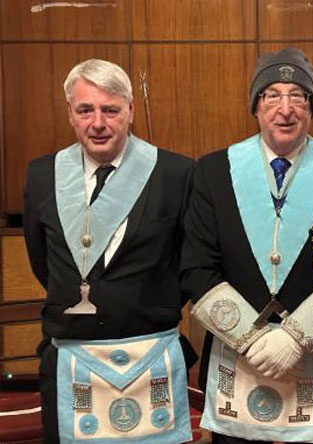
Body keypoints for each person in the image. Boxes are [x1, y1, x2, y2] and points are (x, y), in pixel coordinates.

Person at [180, 47, 313, 443]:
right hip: (237, 360)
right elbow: (196, 268)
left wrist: (294, 337)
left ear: (311, 107)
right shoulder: (214, 172)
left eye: (298, 96)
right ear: (256, 106)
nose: (286, 109)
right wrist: (252, 338)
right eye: (272, 95)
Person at [23, 59, 195, 443]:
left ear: (130, 111)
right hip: (71, 359)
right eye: (85, 110)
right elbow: (43, 261)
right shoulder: (41, 174)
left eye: (110, 109)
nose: (97, 123)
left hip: (149, 354)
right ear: (70, 113)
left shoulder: (176, 173)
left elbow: (187, 262)